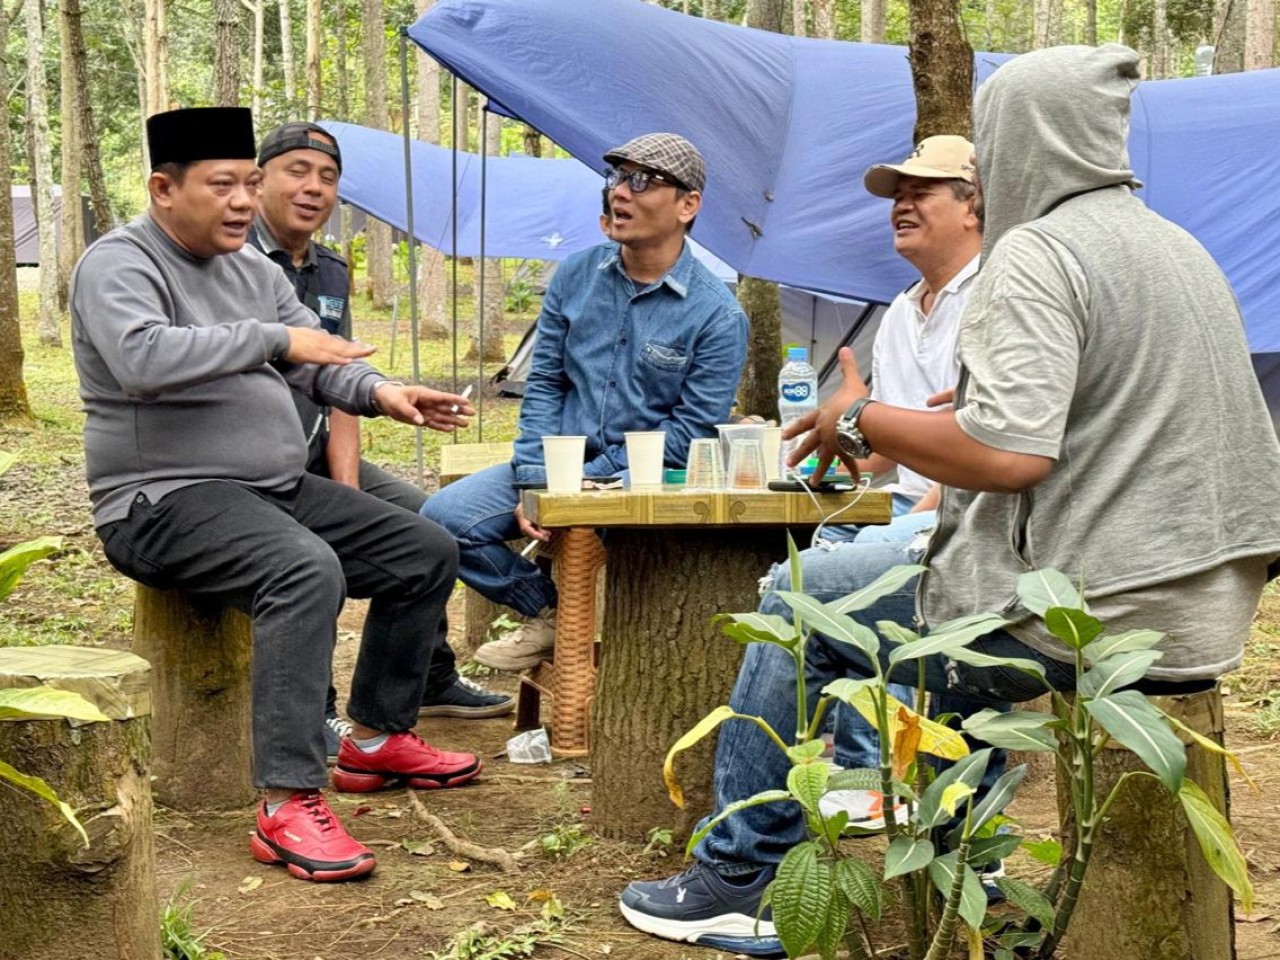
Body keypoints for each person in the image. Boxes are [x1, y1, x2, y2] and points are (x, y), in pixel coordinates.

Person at [619, 44, 1280, 957]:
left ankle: (737, 878)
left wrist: (859, 418)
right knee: (926, 578)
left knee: (802, 598)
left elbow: (1009, 457)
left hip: (1094, 614)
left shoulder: (1038, 250)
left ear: (1015, 140)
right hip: (1204, 605)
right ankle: (968, 847)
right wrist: (952, 418)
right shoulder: (1174, 245)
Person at [71, 107, 483, 884]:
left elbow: (317, 359)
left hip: (269, 489)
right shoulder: (119, 263)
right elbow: (141, 360)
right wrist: (273, 338)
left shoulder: (254, 273)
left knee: (424, 548)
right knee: (303, 569)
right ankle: (288, 800)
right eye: (222, 185)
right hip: (161, 501)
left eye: (248, 183)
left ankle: (375, 737)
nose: (240, 201)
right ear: (163, 188)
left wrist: (382, 392)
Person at [423, 132, 748, 671]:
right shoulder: (576, 275)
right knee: (442, 521)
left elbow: (689, 434)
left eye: (642, 181)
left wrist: (581, 484)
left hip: (643, 478)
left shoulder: (718, 315)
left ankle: (614, 637)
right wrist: (537, 480)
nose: (619, 191)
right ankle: (549, 611)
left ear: (688, 205)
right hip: (558, 461)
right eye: (617, 177)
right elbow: (544, 384)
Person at [250, 121, 513, 753]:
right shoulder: (235, 265)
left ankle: (428, 678)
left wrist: (347, 487)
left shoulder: (329, 270)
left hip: (317, 450)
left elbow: (339, 381)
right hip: (256, 466)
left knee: (428, 523)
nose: (313, 188)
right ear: (258, 181)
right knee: (310, 561)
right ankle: (317, 711)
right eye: (297, 171)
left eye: (328, 177)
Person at [817, 134, 983, 827]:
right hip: (909, 502)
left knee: (850, 574)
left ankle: (878, 779)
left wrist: (913, 517)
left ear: (973, 206)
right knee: (817, 543)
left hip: (975, 510)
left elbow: (982, 446)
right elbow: (888, 446)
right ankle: (861, 761)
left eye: (921, 193)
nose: (901, 206)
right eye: (897, 196)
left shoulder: (996, 298)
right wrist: (835, 450)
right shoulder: (900, 310)